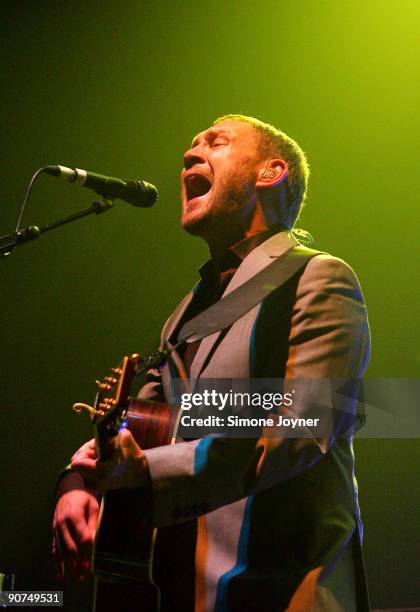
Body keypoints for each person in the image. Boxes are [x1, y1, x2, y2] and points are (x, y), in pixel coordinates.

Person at [52, 114, 371, 611]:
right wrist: (79, 482)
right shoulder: (185, 312)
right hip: (182, 590)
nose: (189, 154)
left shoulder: (319, 277)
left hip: (282, 592)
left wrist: (147, 471)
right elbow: (140, 426)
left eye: (216, 142)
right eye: (191, 145)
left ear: (270, 173)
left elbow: (300, 428)